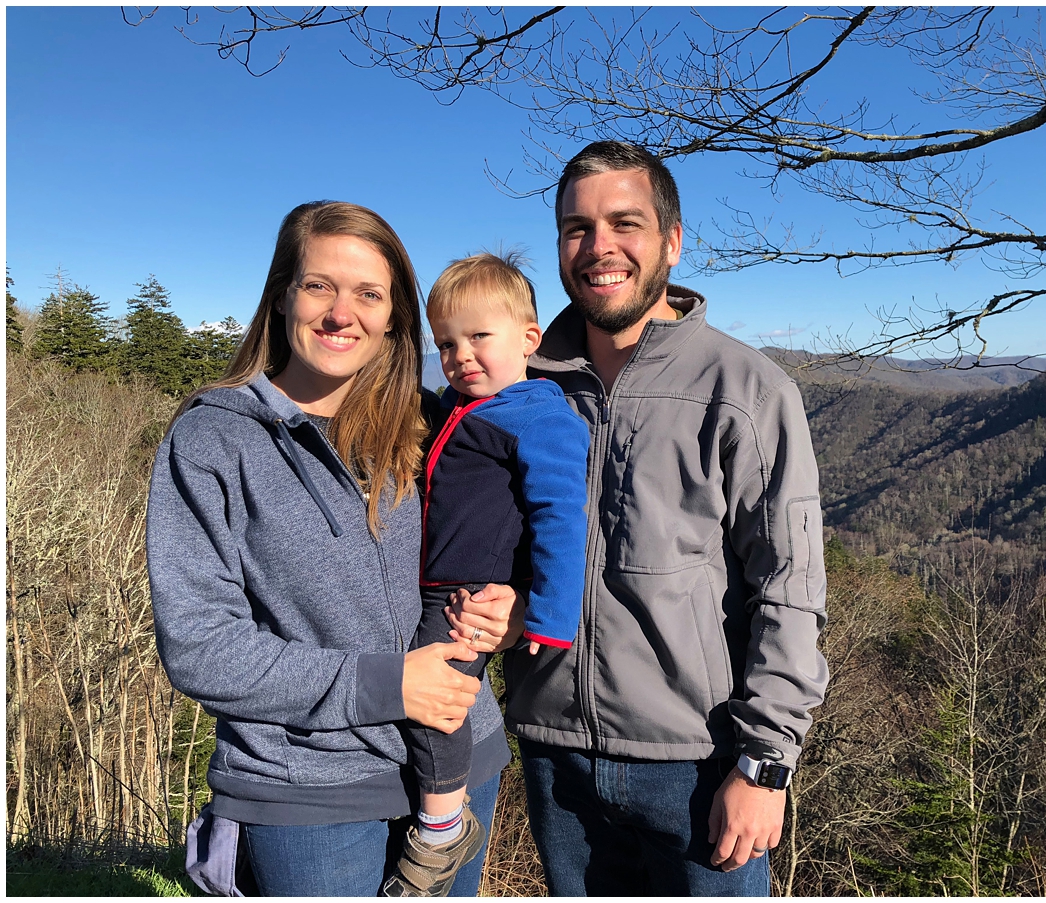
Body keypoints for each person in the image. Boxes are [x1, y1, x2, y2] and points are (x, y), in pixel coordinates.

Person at [147, 201, 521, 897]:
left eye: (368, 293)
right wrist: (386, 684)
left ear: (394, 317)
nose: (340, 311)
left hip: (461, 755)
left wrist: (512, 608)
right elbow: (199, 644)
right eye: (319, 284)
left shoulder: (435, 421)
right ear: (283, 294)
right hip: (305, 789)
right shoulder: (212, 439)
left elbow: (503, 536)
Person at [503, 141, 831, 896]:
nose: (598, 247)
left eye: (625, 223)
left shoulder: (745, 389)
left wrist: (765, 763)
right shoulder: (520, 385)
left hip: (699, 764)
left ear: (672, 242)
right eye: (576, 228)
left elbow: (792, 589)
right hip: (554, 756)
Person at [386, 252, 589, 897]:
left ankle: (444, 824)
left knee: (436, 702)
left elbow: (562, 516)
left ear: (530, 340)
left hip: (469, 596)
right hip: (435, 582)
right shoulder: (462, 404)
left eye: (480, 337)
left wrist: (553, 615)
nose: (461, 356)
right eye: (445, 343)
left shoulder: (539, 414)